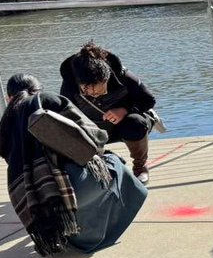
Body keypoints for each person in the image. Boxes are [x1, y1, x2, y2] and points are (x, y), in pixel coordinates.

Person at [0, 73, 147, 255]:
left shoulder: (6, 122)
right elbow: (97, 138)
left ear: (8, 97)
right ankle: (100, 232)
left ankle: (64, 233)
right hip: (76, 189)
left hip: (36, 202)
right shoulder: (50, 100)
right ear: (38, 89)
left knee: (63, 190)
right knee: (114, 162)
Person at [59, 42, 160, 184]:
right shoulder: (69, 86)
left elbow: (148, 100)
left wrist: (124, 109)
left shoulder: (124, 76)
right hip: (94, 129)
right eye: (87, 91)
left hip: (124, 125)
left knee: (135, 123)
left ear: (107, 78)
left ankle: (140, 167)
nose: (94, 95)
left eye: (100, 90)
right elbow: (66, 116)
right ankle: (95, 166)